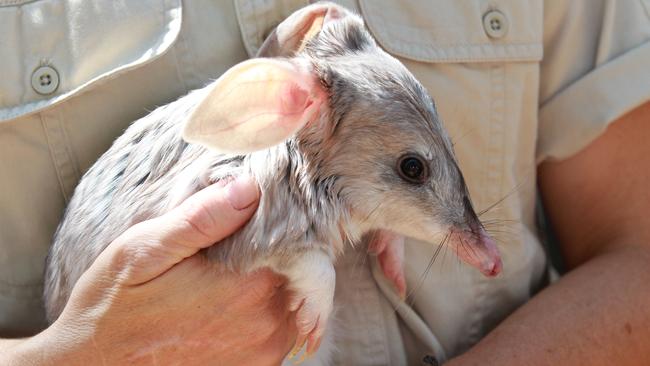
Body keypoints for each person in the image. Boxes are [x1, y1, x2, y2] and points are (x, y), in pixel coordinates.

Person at [0, 0, 648, 365]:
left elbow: (638, 254)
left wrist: (380, 220)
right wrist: (76, 355)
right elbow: (263, 214)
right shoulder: (273, 135)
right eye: (413, 171)